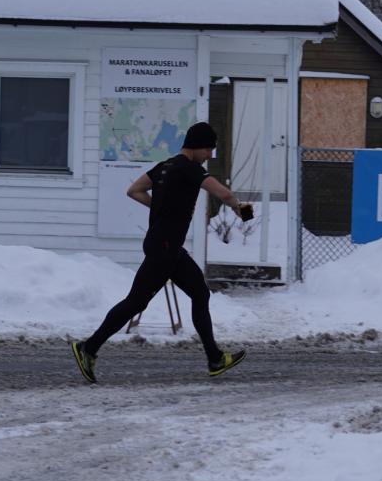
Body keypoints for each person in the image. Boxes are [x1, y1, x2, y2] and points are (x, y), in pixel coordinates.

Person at [71, 122, 250, 383]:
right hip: (164, 247)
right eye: (209, 149)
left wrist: (161, 208)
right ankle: (89, 347)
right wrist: (238, 206)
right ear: (199, 146)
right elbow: (222, 192)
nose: (210, 155)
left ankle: (214, 358)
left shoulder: (164, 166)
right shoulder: (190, 168)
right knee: (136, 302)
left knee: (200, 293)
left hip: (166, 246)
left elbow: (134, 190)